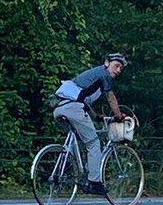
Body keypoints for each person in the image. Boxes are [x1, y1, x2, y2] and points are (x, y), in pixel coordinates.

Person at [52, 52, 130, 195]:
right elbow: (111, 98)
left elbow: (82, 101)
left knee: (80, 139)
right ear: (107, 63)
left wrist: (96, 116)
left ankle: (67, 167)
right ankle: (94, 182)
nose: (118, 70)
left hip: (59, 109)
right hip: (73, 108)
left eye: (121, 68)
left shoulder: (91, 77)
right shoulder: (104, 74)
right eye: (116, 66)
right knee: (93, 143)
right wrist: (119, 116)